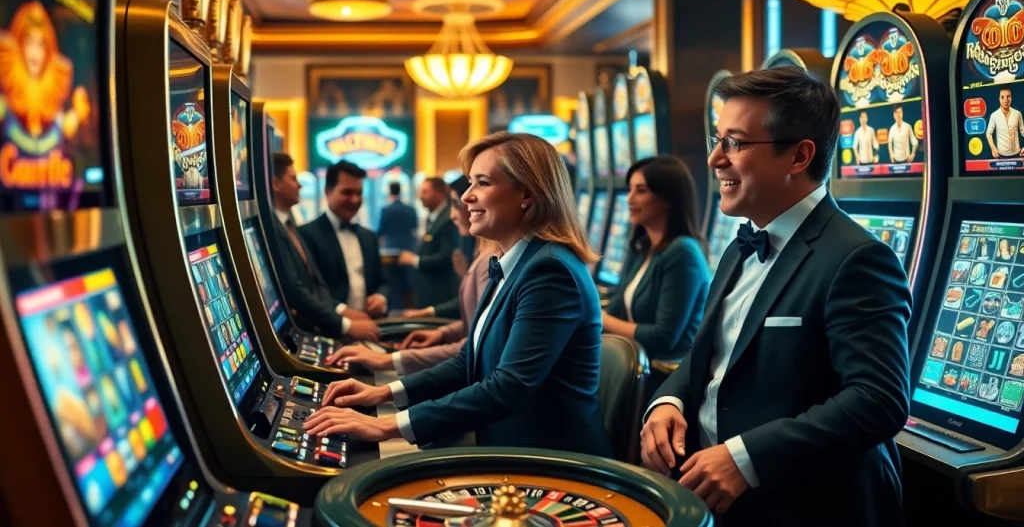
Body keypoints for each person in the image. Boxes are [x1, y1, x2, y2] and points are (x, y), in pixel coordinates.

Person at [640, 66, 912, 526]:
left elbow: (878, 400)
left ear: (799, 156)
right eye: (717, 140)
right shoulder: (738, 246)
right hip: (716, 498)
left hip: (806, 506)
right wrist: (668, 400)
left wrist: (746, 458)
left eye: (736, 143)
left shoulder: (858, 258)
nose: (714, 160)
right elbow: (708, 355)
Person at [303, 132, 614, 457]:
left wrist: (385, 426)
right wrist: (381, 393)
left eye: (482, 183)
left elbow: (508, 388)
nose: (466, 197)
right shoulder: (512, 261)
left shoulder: (550, 270)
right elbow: (470, 360)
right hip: (510, 449)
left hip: (554, 462)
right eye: (469, 183)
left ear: (527, 192)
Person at [326, 175, 490, 374]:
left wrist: (390, 363)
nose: (453, 214)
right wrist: (441, 333)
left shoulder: (489, 262)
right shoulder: (483, 256)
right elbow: (476, 326)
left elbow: (477, 346)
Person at [601, 155, 710, 366]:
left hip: (667, 375)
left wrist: (600, 318)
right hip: (636, 362)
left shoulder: (683, 252)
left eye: (641, 191)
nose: (629, 199)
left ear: (667, 198)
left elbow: (664, 337)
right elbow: (616, 308)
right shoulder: (642, 247)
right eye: (630, 189)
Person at [269, 153, 379, 340]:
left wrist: (345, 312)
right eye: (293, 178)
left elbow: (316, 284)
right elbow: (295, 289)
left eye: (359, 193)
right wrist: (344, 324)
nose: (300, 184)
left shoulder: (289, 223)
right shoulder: (276, 227)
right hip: (312, 330)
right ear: (275, 183)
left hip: (350, 324)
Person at [299, 161, 389, 324]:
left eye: (359, 193)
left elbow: (383, 281)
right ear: (328, 192)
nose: (354, 200)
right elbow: (308, 291)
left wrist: (381, 297)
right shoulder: (306, 235)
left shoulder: (369, 236)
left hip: (370, 326)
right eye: (347, 192)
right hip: (326, 328)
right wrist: (343, 313)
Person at [399, 177, 461, 309]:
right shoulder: (433, 218)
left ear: (439, 193)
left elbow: (446, 258)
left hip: (440, 295)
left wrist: (415, 260)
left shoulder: (448, 219)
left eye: (425, 192)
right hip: (429, 294)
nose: (420, 196)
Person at [378, 181, 418, 308]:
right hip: (409, 249)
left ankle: (396, 310)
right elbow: (415, 226)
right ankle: (410, 309)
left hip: (391, 252)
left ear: (390, 191)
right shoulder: (410, 209)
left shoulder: (386, 210)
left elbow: (381, 230)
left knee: (393, 283)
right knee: (408, 284)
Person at [985, 87, 1024, 158]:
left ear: (1011, 98)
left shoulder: (1017, 113)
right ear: (999, 99)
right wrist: (993, 148)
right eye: (1002, 97)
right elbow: (988, 133)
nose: (1005, 100)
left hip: (1017, 154)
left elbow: (1023, 130)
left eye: (1008, 97)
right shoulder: (994, 115)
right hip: (1001, 156)